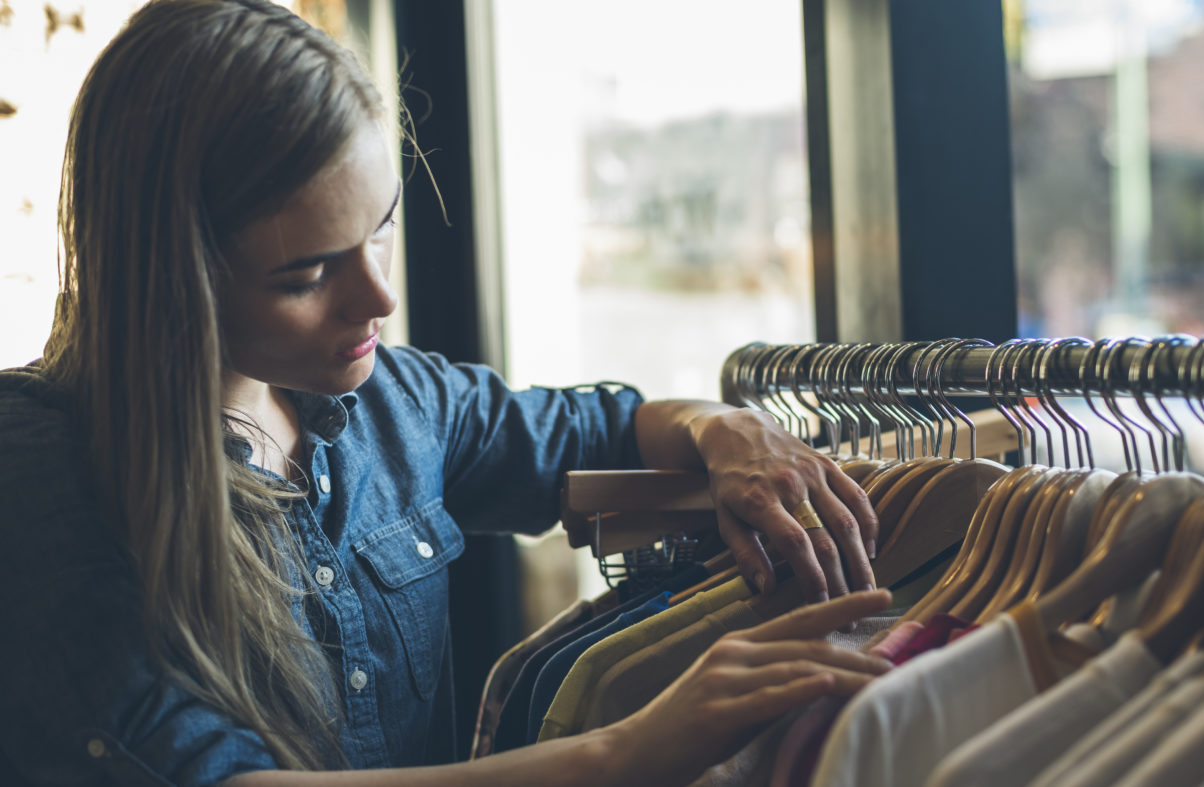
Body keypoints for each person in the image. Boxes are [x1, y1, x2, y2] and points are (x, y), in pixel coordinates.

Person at [0, 1, 894, 784]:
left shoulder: (398, 402)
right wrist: (627, 753)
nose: (380, 298)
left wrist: (726, 428)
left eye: (380, 231)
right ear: (170, 278)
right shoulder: (42, 464)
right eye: (308, 274)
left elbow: (607, 429)